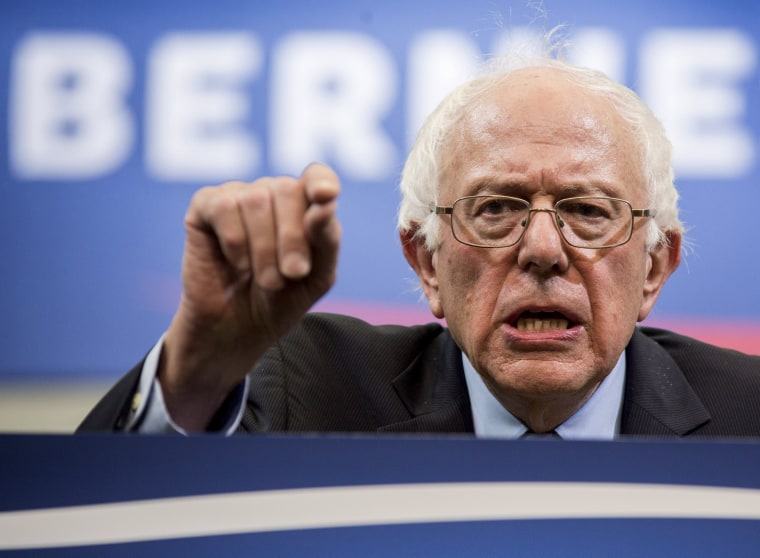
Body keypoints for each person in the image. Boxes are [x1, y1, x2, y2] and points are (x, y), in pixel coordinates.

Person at [78, 51, 760, 439]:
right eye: (496, 209)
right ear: (426, 262)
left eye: (588, 210)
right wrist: (198, 370)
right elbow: (101, 527)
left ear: (654, 268)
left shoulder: (747, 421)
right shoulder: (306, 393)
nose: (544, 248)